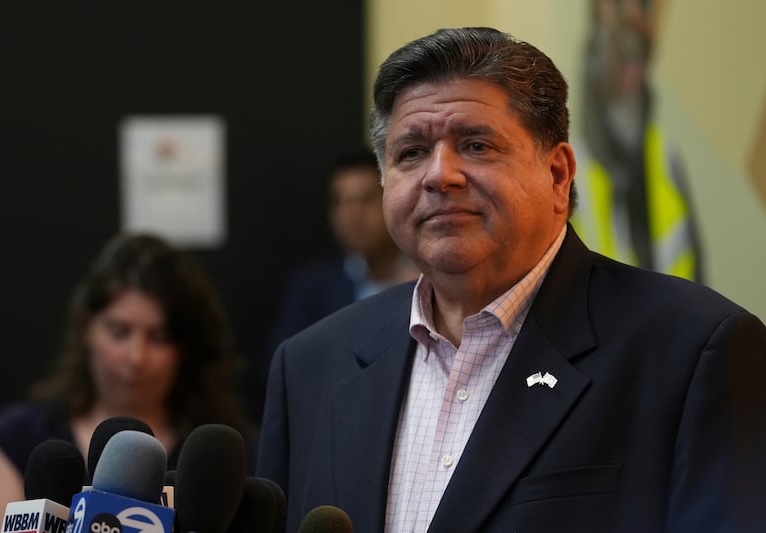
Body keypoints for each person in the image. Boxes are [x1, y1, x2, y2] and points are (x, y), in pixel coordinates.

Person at [256, 27, 766, 532]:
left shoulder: (694, 350)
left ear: (559, 175)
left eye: (476, 145)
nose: (440, 175)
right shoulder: (311, 366)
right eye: (411, 152)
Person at [0, 233, 254, 533]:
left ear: (186, 348)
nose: (136, 357)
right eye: (119, 331)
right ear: (86, 329)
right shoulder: (17, 438)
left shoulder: (224, 457)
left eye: (158, 337)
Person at [255, 150, 418, 417]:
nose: (352, 215)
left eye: (366, 199)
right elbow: (279, 369)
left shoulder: (426, 282)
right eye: (340, 202)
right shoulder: (313, 287)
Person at [570, 0, 703, 281]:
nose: (635, 71)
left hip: (677, 317)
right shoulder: (573, 171)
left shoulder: (663, 155)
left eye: (639, 57)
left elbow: (693, 261)